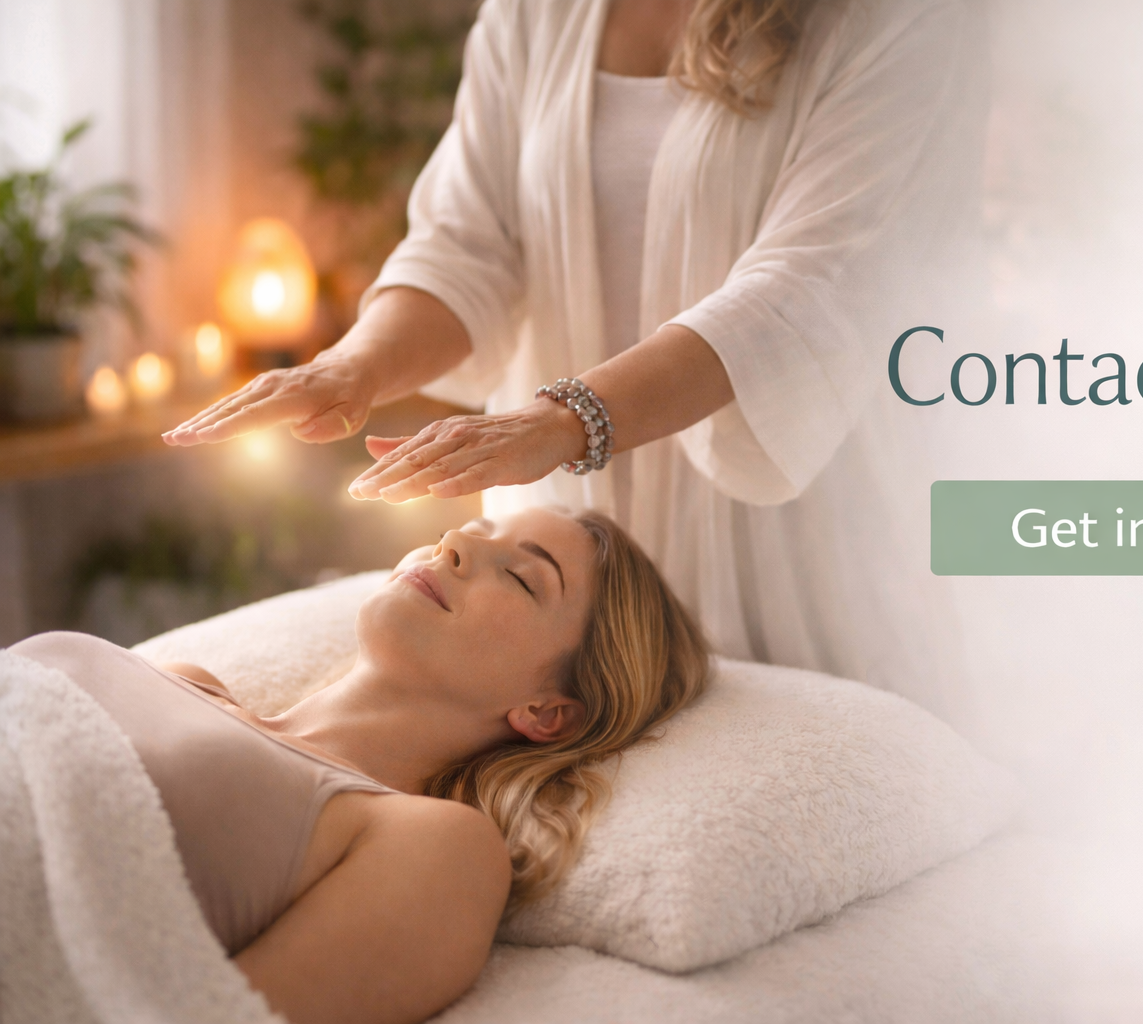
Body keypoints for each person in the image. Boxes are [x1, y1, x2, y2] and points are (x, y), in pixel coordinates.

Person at [164, 0, 987, 717]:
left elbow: (806, 289)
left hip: (792, 543)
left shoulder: (899, 17)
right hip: (557, 549)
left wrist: (562, 419)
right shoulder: (535, 11)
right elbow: (467, 246)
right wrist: (354, 368)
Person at [12, 509, 710, 1024]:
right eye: (475, 526)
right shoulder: (191, 681)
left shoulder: (438, 849)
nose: (458, 543)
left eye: (523, 577)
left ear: (548, 710)